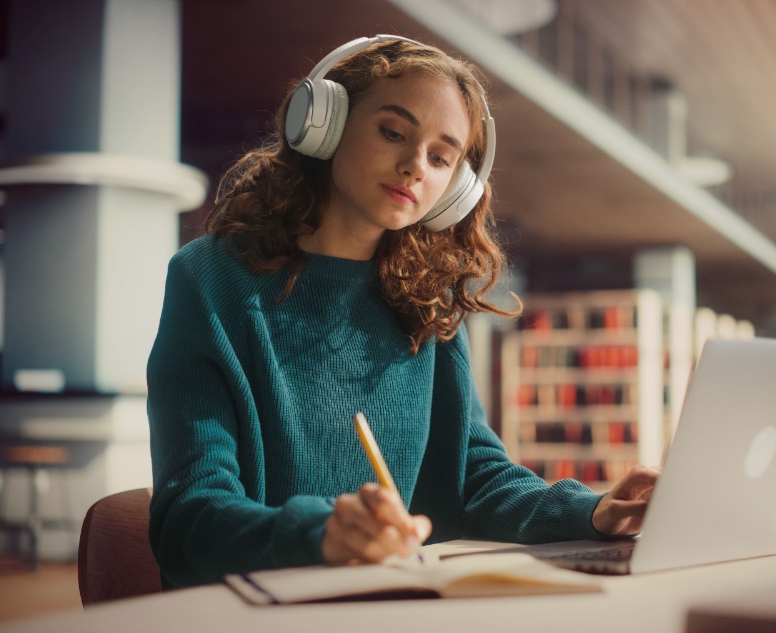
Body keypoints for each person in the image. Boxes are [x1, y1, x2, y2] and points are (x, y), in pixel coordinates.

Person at [147, 34, 660, 589]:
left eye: (441, 157)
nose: (416, 166)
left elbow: (477, 478)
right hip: (257, 610)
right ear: (326, 124)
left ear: (453, 189)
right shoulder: (212, 280)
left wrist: (591, 511)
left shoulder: (428, 302)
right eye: (393, 132)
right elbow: (190, 514)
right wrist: (320, 535)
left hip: (395, 603)